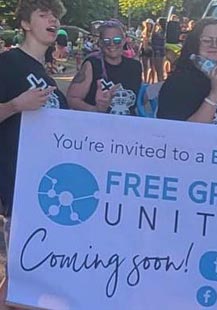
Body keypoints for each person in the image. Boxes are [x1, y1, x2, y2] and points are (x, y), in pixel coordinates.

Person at [0, 0, 68, 305]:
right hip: (18, 186)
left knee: (26, 272)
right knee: (22, 271)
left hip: (47, 191)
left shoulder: (45, 74)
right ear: (26, 24)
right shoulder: (7, 64)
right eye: (44, 14)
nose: (52, 20)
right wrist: (16, 105)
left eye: (55, 16)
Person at [157, 17, 217, 126]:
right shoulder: (178, 83)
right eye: (206, 40)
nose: (214, 45)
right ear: (194, 44)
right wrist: (214, 95)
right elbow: (182, 133)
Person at [67, 20, 142, 116]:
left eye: (117, 40)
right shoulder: (92, 64)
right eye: (107, 41)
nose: (112, 44)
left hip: (127, 125)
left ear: (124, 41)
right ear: (101, 43)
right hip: (97, 125)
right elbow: (72, 98)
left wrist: (153, 91)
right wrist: (95, 110)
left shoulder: (135, 66)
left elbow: (138, 98)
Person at [151, 17, 166, 82]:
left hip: (158, 51)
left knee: (159, 70)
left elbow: (152, 36)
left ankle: (160, 83)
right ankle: (160, 82)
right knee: (158, 70)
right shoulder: (160, 31)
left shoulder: (162, 32)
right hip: (156, 50)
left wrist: (154, 26)